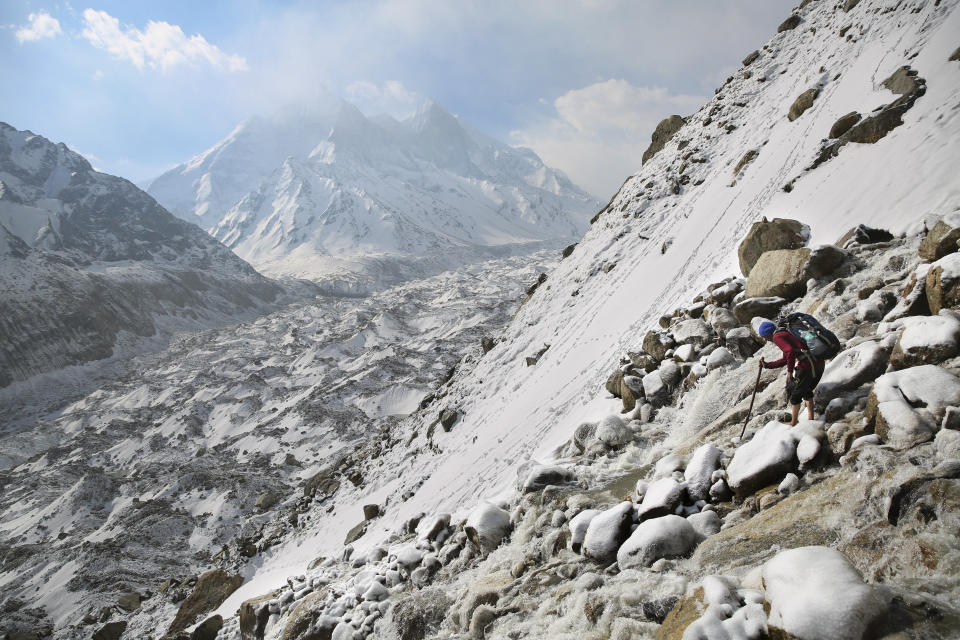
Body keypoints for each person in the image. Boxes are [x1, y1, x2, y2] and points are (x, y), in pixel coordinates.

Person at [757, 320, 825, 426]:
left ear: (768, 334)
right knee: (806, 390)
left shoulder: (777, 337)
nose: (766, 340)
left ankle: (793, 422)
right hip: (818, 362)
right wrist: (767, 365)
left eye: (765, 337)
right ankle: (811, 418)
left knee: (795, 396)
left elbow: (790, 352)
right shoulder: (785, 333)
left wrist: (789, 371)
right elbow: (786, 358)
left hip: (807, 366)